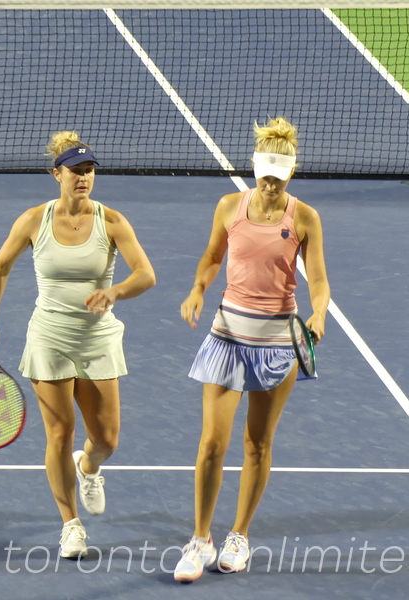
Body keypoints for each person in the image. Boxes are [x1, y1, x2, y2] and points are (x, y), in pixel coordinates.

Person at [0, 131, 156, 559]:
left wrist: (116, 293)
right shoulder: (33, 220)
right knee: (59, 433)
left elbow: (145, 274)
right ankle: (70, 524)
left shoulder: (111, 221)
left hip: (97, 340)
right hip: (49, 338)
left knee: (107, 438)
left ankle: (89, 466)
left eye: (89, 170)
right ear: (56, 174)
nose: (84, 178)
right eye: (75, 171)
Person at [173, 117, 330, 582]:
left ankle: (238, 535)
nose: (269, 185)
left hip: (276, 343)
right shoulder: (228, 206)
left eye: (278, 179)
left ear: (290, 175)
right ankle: (200, 539)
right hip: (227, 336)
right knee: (211, 444)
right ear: (255, 167)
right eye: (265, 175)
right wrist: (198, 288)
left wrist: (319, 313)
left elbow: (318, 279)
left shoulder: (304, 218)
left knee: (257, 444)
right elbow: (212, 257)